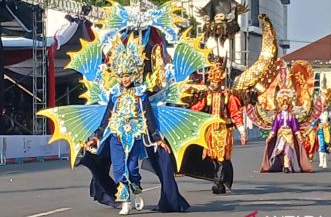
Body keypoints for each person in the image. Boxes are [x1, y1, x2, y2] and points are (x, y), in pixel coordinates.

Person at [85, 43, 189, 214]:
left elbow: (149, 117)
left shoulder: (141, 94)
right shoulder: (115, 94)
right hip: (115, 136)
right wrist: (96, 137)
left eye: (128, 75)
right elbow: (107, 118)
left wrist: (158, 139)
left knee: (132, 169)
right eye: (122, 76)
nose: (125, 79)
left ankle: (137, 189)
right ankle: (125, 201)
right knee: (119, 169)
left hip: (135, 136)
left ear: (134, 74)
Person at [188, 63, 248, 194]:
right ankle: (219, 179)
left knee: (221, 157)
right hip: (209, 132)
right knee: (212, 157)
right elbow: (196, 108)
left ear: (221, 81)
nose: (213, 83)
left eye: (216, 81)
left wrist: (242, 132)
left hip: (223, 131)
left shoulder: (228, 96)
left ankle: (218, 183)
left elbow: (236, 114)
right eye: (212, 81)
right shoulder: (207, 96)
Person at [260, 89, 313, 173]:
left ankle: (286, 166)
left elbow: (295, 128)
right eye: (283, 104)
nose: (285, 106)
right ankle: (280, 164)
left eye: (286, 104)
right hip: (281, 135)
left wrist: (299, 136)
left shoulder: (291, 116)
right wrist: (270, 137)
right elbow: (274, 128)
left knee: (288, 150)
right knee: (280, 150)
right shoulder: (278, 117)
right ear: (281, 105)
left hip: (289, 135)